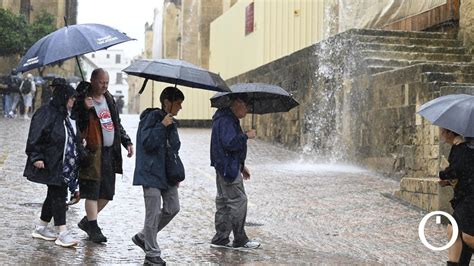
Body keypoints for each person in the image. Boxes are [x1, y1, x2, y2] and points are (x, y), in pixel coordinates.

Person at [75, 68, 133, 243]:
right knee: (92, 191)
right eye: (101, 82)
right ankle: (93, 227)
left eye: (106, 82)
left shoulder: (109, 98)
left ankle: (87, 222)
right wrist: (84, 108)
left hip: (109, 152)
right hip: (92, 152)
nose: (104, 85)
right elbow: (75, 121)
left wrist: (127, 142)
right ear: (93, 81)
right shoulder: (82, 99)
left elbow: (116, 123)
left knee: (107, 193)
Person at [23, 81, 81, 247]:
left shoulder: (64, 114)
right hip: (50, 162)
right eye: (71, 98)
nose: (73, 101)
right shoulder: (46, 113)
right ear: (63, 97)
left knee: (54, 194)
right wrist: (36, 157)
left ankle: (41, 227)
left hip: (61, 164)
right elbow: (35, 135)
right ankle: (62, 232)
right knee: (58, 194)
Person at [132, 87, 184, 265]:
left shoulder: (172, 122)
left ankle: (142, 237)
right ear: (167, 102)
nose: (180, 107)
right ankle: (152, 255)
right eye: (178, 103)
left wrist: (170, 128)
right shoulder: (151, 118)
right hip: (150, 172)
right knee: (152, 214)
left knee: (173, 207)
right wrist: (162, 126)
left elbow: (175, 147)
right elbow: (147, 143)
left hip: (167, 174)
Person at [209, 94, 260, 250]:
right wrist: (246, 136)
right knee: (239, 201)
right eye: (247, 106)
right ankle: (240, 239)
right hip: (227, 168)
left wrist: (241, 165)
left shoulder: (226, 119)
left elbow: (228, 146)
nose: (248, 110)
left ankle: (220, 238)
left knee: (224, 203)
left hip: (226, 166)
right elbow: (229, 143)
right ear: (238, 103)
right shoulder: (226, 120)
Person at [438, 128, 474, 265]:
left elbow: (456, 169)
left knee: (468, 237)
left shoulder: (463, 147)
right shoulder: (461, 146)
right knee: (453, 230)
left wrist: (443, 175)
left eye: (443, 131)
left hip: (470, 198)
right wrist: (447, 181)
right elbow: (462, 173)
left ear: (450, 133)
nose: (441, 135)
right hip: (463, 196)